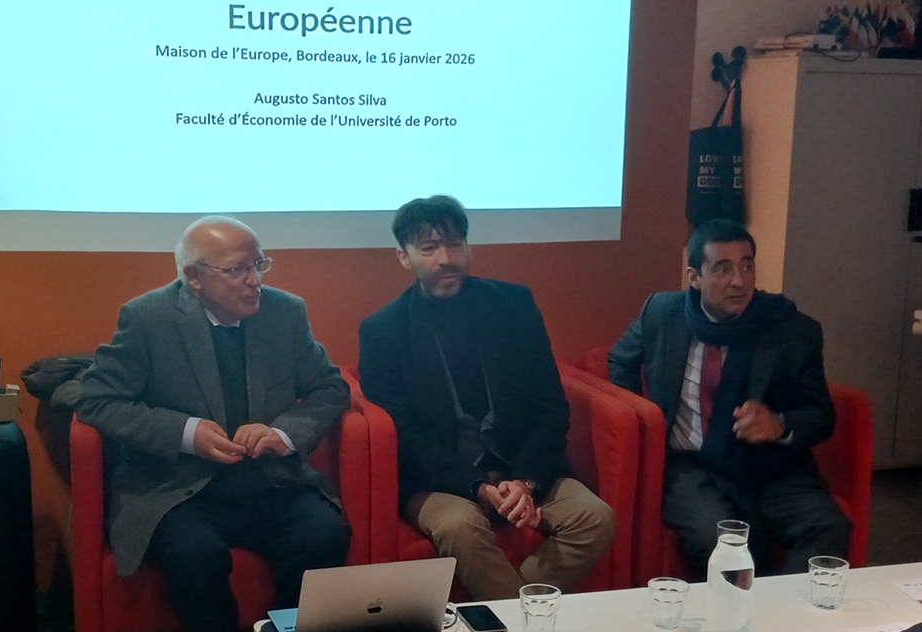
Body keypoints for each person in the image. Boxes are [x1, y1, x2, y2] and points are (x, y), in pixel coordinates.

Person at [76, 216, 351, 632]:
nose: (255, 281)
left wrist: (283, 433)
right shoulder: (148, 318)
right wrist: (186, 433)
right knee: (195, 555)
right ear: (194, 277)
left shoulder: (284, 312)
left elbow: (330, 387)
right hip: (179, 490)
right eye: (238, 270)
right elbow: (96, 401)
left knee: (324, 533)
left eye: (259, 264)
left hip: (270, 482)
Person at [358, 195, 615, 600]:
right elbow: (409, 438)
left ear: (468, 247)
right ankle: (527, 618)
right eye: (429, 248)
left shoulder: (514, 306)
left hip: (521, 468)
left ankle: (510, 613)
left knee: (595, 517)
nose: (446, 259)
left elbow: (550, 405)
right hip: (440, 481)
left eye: (454, 244)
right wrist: (476, 486)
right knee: (459, 527)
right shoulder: (383, 331)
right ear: (404, 257)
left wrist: (526, 482)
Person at [608, 219, 851, 576]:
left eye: (747, 266)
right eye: (722, 269)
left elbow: (821, 415)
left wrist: (780, 424)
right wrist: (643, 422)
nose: (739, 281)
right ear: (694, 277)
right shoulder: (661, 313)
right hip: (689, 466)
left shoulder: (792, 329)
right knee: (721, 543)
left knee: (829, 526)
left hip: (769, 466)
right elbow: (619, 361)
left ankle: (782, 610)